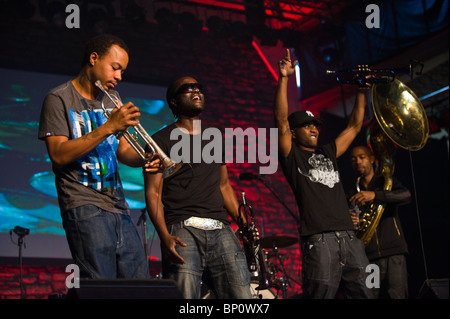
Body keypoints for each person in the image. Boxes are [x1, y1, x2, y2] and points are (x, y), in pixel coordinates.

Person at [38, 34, 159, 279]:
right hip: (84, 205)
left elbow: (123, 151)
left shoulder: (112, 101)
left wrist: (145, 157)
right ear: (94, 59)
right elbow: (59, 155)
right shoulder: (59, 98)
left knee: (140, 288)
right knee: (101, 288)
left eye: (122, 71)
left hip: (118, 206)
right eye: (115, 68)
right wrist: (108, 127)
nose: (119, 77)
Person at [274, 49, 372, 299]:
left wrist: (361, 90)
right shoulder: (292, 155)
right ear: (294, 133)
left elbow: (354, 126)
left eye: (315, 126)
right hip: (320, 241)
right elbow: (282, 121)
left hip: (350, 238)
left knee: (366, 294)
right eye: (306, 126)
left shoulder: (328, 152)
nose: (313, 129)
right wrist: (284, 78)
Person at [143, 76, 252, 299]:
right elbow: (153, 192)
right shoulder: (159, 141)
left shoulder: (215, 137)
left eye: (199, 88)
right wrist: (164, 236)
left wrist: (243, 223)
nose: (196, 92)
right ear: (173, 101)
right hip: (182, 229)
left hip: (221, 228)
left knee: (242, 298)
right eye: (188, 89)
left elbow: (224, 185)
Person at [348, 145, 411, 298]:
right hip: (369, 258)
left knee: (397, 295)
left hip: (393, 252)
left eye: (362, 157)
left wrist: (375, 195)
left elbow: (406, 196)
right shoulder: (351, 192)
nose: (358, 162)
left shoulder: (385, 183)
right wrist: (349, 218)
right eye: (353, 159)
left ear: (372, 159)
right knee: (370, 295)